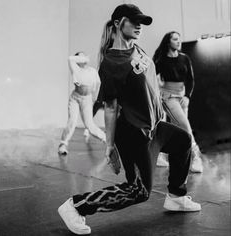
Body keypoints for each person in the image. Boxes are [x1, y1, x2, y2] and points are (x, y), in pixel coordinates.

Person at [58, 4, 201, 235]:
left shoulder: (138, 49)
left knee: (183, 141)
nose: (139, 27)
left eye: (141, 23)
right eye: (134, 21)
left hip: (155, 126)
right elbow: (111, 108)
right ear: (117, 23)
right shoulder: (111, 63)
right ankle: (76, 207)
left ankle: (176, 196)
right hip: (134, 133)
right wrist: (109, 145)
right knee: (139, 191)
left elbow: (149, 85)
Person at [153, 31, 203, 173]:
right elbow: (151, 76)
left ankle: (160, 154)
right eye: (175, 39)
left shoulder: (184, 58)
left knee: (177, 128)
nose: (178, 41)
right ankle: (196, 157)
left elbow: (190, 79)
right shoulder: (161, 59)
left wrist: (187, 96)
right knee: (185, 127)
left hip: (182, 97)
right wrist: (158, 92)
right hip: (168, 96)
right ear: (168, 42)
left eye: (179, 39)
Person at [58, 52, 106, 155]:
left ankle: (106, 140)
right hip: (75, 98)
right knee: (72, 121)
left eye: (83, 56)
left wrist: (95, 98)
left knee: (89, 125)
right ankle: (63, 144)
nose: (82, 59)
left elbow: (98, 84)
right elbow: (70, 58)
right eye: (79, 57)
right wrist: (80, 58)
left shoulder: (92, 71)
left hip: (87, 99)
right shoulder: (75, 69)